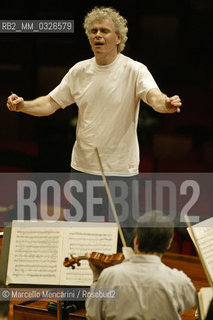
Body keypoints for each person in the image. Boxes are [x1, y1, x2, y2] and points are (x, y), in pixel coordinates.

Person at [6, 7, 182, 235]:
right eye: (93, 30)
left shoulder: (134, 70)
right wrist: (23, 106)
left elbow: (153, 96)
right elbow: (50, 103)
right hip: (83, 167)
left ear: (118, 38)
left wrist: (165, 104)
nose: (97, 35)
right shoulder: (79, 71)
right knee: (80, 236)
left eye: (104, 31)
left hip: (121, 170)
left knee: (123, 237)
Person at [85, 210, 196, 320]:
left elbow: (93, 315)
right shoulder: (180, 281)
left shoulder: (109, 276)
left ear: (136, 240)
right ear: (168, 245)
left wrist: (96, 278)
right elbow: (190, 304)